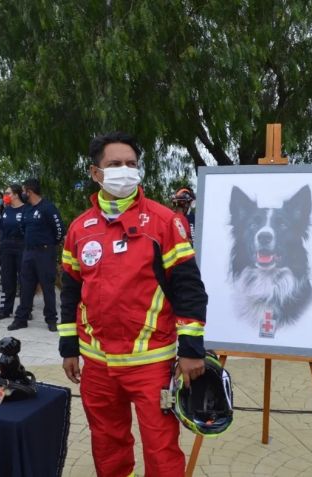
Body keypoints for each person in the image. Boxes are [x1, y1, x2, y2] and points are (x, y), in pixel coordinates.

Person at [59, 131, 207, 477]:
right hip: (96, 363)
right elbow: (70, 291)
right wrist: (69, 346)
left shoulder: (164, 222)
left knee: (161, 448)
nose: (125, 170)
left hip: (150, 362)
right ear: (96, 173)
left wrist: (191, 348)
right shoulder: (79, 229)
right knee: (108, 444)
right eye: (115, 165)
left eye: (131, 164)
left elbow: (188, 288)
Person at [7, 178, 64, 332]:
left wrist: (50, 245)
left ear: (29, 192)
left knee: (47, 287)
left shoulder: (48, 208)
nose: (22, 193)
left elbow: (59, 231)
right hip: (28, 252)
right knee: (26, 286)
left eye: (24, 191)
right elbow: (23, 229)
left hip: (45, 253)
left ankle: (51, 319)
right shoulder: (27, 209)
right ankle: (22, 318)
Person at [0, 184, 25, 321]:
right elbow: (3, 229)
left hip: (22, 247)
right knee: (7, 280)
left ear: (16, 194)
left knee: (24, 280)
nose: (5, 196)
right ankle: (5, 310)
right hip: (6, 248)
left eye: (8, 193)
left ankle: (25, 310)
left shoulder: (26, 209)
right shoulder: (6, 211)